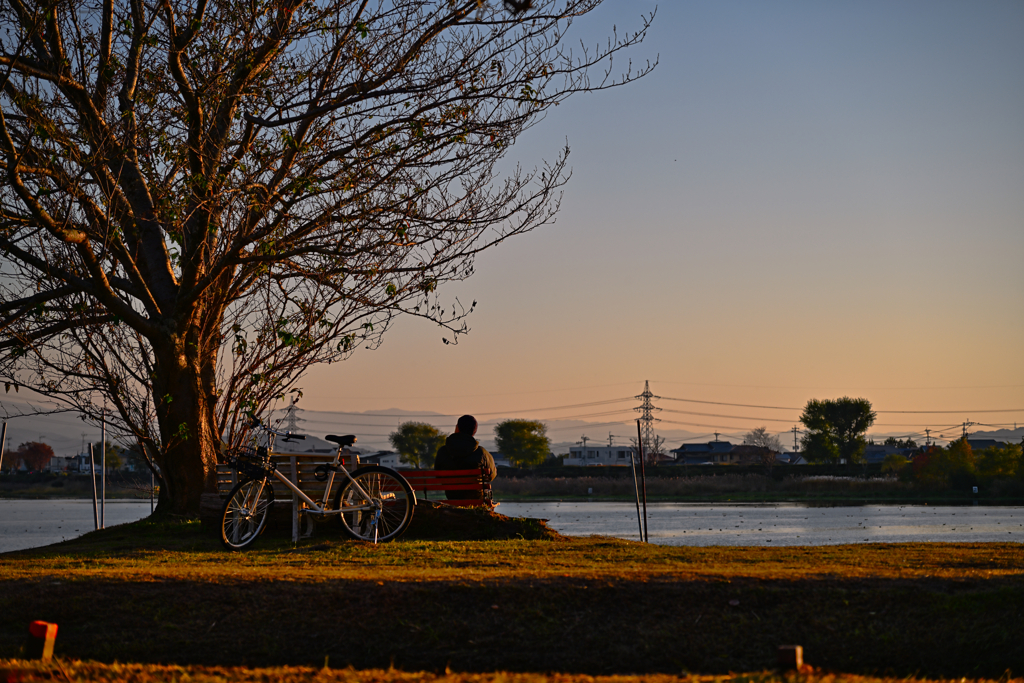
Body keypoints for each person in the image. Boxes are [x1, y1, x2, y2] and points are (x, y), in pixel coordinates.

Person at [433, 415, 497, 500]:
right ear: (474, 432)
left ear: (457, 428)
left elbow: (438, 475)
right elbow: (491, 476)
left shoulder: (443, 451)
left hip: (452, 497)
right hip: (476, 498)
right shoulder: (482, 453)